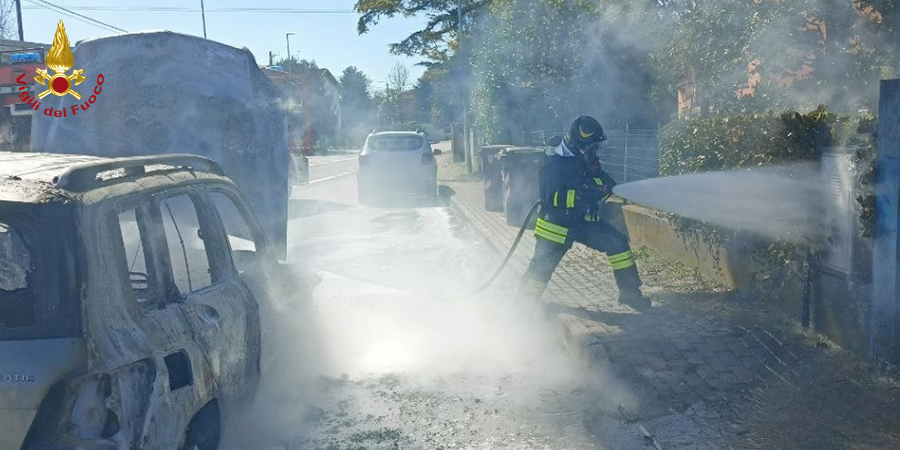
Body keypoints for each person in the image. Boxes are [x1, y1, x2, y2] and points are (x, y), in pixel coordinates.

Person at [518, 115, 651, 309]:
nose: (595, 151)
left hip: (583, 222)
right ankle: (523, 305)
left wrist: (602, 185)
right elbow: (552, 198)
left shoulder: (585, 160)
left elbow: (602, 181)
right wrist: (587, 193)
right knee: (540, 269)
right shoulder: (554, 163)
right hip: (556, 227)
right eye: (592, 147)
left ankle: (630, 294)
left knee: (618, 244)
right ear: (579, 144)